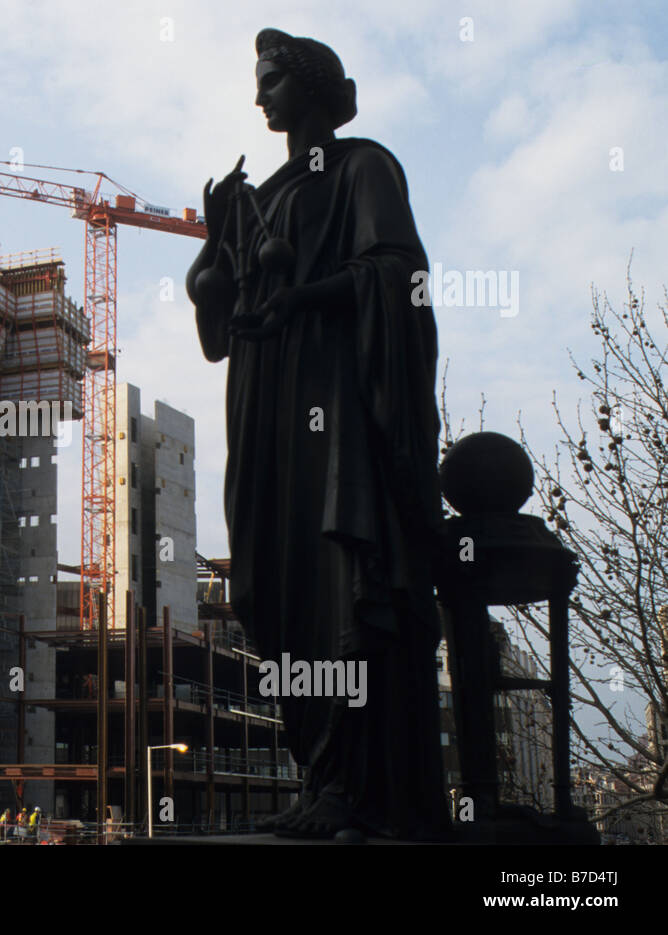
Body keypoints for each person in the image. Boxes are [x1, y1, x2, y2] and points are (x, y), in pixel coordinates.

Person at [187, 28, 447, 841]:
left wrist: (307, 299)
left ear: (311, 86)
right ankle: (319, 771)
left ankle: (358, 783)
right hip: (264, 407)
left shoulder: (364, 166)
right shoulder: (260, 193)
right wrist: (213, 240)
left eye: (272, 80)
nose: (260, 95)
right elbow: (220, 326)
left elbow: (396, 273)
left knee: (338, 578)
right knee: (272, 581)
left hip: (331, 400)